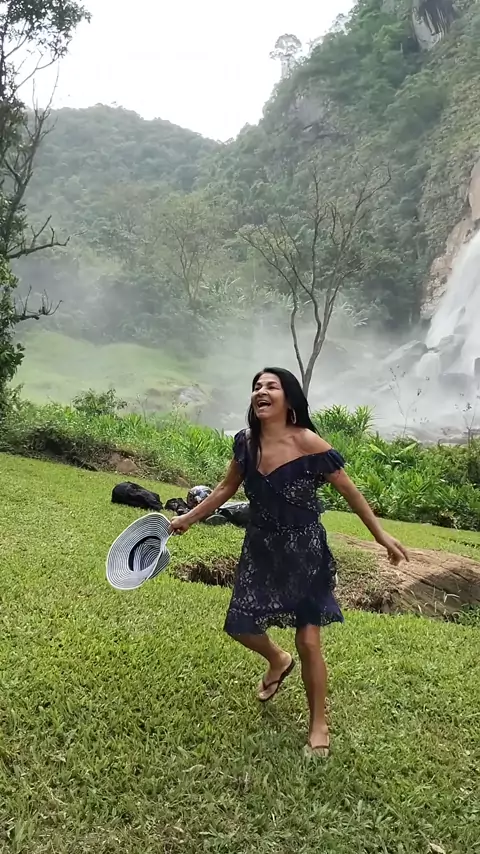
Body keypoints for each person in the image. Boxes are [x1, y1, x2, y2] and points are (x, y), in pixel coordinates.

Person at [169, 368, 408, 758]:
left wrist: (381, 535)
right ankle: (278, 660)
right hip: (261, 549)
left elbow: (349, 491)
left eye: (271, 386)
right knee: (241, 627)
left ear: (289, 399)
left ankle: (319, 724)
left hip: (306, 552)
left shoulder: (308, 442)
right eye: (256, 387)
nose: (261, 391)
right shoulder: (246, 443)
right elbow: (226, 487)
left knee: (309, 641)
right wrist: (188, 518)